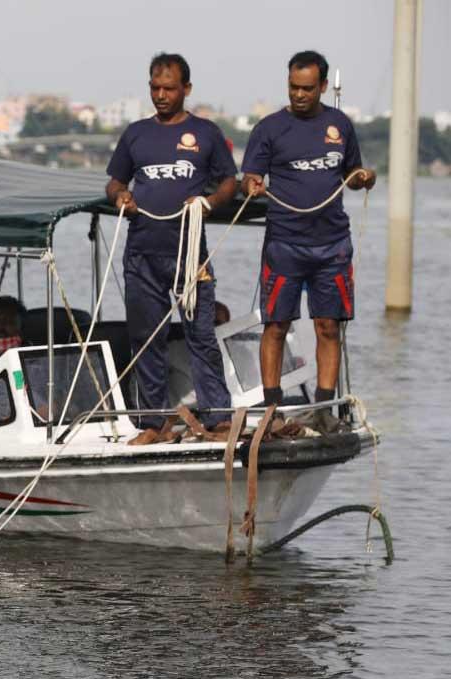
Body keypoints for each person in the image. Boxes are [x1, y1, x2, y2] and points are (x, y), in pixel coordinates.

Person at [105, 52, 238, 445]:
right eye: (155, 88)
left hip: (189, 254)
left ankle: (218, 418)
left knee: (201, 334)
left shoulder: (206, 133)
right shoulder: (135, 134)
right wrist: (121, 195)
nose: (161, 95)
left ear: (186, 90)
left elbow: (229, 181)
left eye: (169, 88)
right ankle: (155, 422)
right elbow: (113, 181)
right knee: (146, 338)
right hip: (142, 253)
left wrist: (209, 204)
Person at [242, 50, 376, 430]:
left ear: (322, 86)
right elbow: (248, 176)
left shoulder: (340, 125)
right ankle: (270, 410)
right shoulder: (269, 128)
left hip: (332, 244)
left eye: (306, 88)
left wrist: (364, 178)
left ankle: (323, 408)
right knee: (276, 325)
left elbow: (352, 173)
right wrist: (252, 185)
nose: (298, 95)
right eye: (292, 87)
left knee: (328, 326)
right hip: (284, 242)